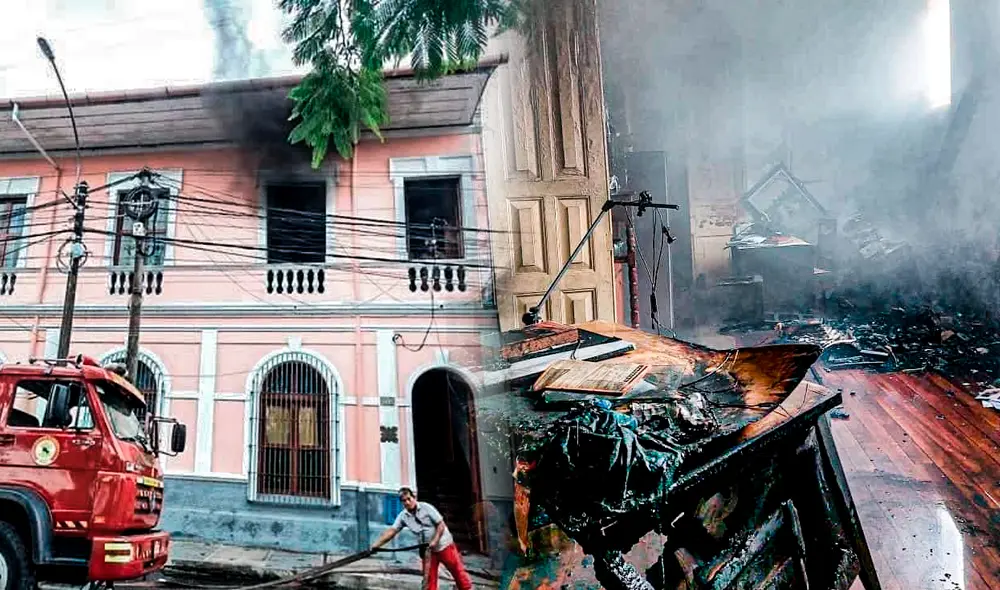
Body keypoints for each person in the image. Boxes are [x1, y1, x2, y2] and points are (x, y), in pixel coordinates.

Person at [371, 487, 473, 590]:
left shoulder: (426, 508)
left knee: (457, 570)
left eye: (409, 499)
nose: (407, 502)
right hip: (428, 551)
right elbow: (392, 531)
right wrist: (376, 545)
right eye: (404, 501)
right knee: (428, 578)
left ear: (414, 498)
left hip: (444, 545)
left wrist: (435, 541)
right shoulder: (403, 516)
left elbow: (441, 525)